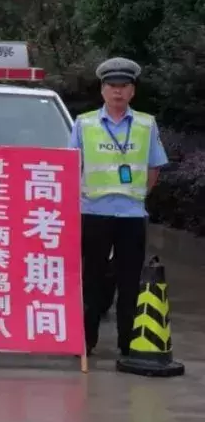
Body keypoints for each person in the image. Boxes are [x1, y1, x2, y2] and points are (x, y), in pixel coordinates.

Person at [70, 56, 168, 358]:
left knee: (129, 282)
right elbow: (72, 167)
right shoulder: (84, 123)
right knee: (91, 280)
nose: (117, 92)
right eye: (112, 86)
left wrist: (136, 195)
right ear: (102, 90)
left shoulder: (145, 124)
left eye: (124, 86)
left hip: (131, 214)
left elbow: (154, 168)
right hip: (93, 212)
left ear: (132, 91)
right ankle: (85, 342)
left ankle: (129, 342)